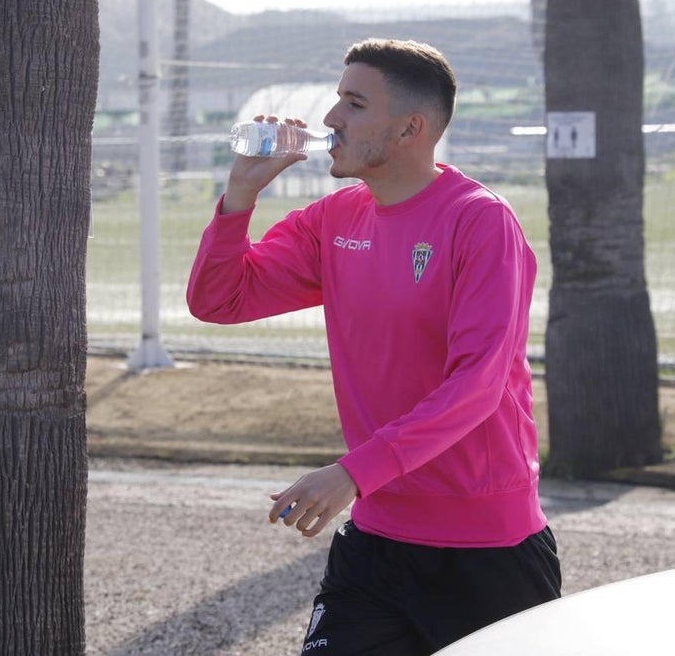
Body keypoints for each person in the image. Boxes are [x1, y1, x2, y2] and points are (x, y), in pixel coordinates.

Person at [187, 38, 561, 654]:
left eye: (354, 104)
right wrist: (240, 195)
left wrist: (352, 474)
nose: (331, 119)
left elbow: (478, 386)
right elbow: (219, 300)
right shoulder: (334, 220)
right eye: (338, 100)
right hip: (376, 540)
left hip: (488, 551)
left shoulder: (480, 221)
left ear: (411, 127)